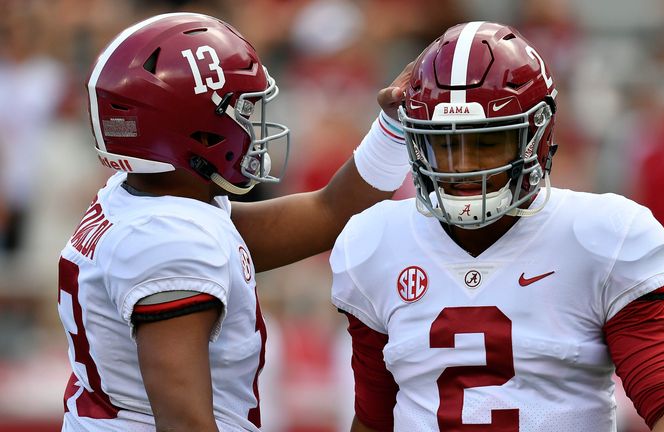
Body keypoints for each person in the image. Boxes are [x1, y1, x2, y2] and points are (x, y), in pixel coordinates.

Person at [331, 21, 664, 432]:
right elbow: (374, 418)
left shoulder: (600, 237)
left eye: (487, 143)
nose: (463, 168)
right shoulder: (375, 243)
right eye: (444, 144)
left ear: (537, 135)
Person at [57, 12, 411, 432]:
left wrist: (393, 125)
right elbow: (186, 424)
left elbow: (329, 212)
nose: (253, 125)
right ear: (195, 128)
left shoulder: (145, 200)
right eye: (243, 108)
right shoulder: (171, 239)